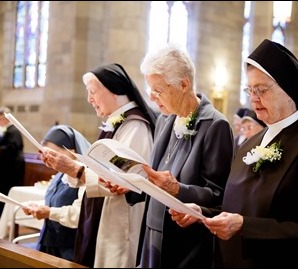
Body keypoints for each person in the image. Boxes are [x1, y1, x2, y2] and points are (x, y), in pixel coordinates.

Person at [170, 39, 298, 268]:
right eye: (250, 89)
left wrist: (245, 226)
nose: (253, 97)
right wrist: (201, 212)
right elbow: (236, 208)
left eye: (261, 89)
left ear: (289, 89)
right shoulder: (249, 144)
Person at [116, 43, 234, 268]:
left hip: (185, 244)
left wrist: (178, 189)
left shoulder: (215, 125)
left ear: (184, 84)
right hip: (152, 233)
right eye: (149, 89)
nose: (152, 98)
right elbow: (155, 179)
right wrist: (130, 185)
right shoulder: (165, 119)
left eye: (158, 90)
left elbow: (219, 195)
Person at [39, 63, 157, 267]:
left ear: (116, 91)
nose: (89, 99)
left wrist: (73, 168)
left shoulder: (135, 127)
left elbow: (125, 180)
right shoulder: (116, 123)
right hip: (105, 221)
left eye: (93, 92)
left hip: (119, 226)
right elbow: (101, 169)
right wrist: (68, 165)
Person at [22, 125, 91, 261]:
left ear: (71, 152)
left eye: (54, 154)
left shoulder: (86, 177)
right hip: (49, 242)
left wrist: (49, 212)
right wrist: (37, 205)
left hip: (69, 248)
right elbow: (55, 201)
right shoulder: (60, 175)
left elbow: (81, 214)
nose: (49, 160)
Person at [0, 106, 25, 217]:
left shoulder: (13, 130)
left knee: (7, 190)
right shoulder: (6, 130)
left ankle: (4, 214)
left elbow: (13, 148)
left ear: (5, 118)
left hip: (11, 168)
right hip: (5, 168)